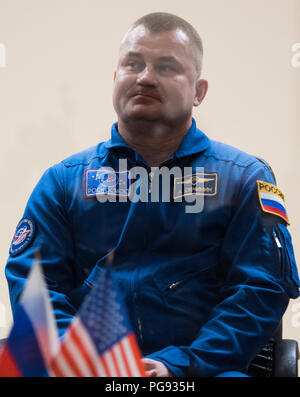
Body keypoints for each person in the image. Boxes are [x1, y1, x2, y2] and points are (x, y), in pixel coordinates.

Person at [5, 12, 300, 377]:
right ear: (115, 79)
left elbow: (259, 290)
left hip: (202, 370)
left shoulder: (242, 180)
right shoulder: (63, 182)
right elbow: (35, 287)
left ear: (198, 91)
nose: (145, 77)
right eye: (133, 63)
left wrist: (178, 366)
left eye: (166, 66)